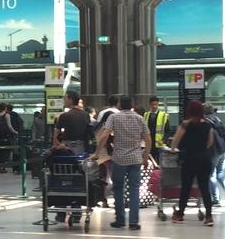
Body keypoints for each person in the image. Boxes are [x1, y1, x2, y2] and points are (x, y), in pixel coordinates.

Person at [98, 95, 151, 230]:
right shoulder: (139, 118)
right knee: (134, 189)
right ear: (131, 105)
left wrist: (97, 152)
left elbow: (104, 135)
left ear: (120, 105)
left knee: (118, 188)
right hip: (135, 159)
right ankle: (134, 222)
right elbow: (148, 139)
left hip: (119, 159)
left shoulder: (113, 117)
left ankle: (120, 220)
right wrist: (145, 157)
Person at [170, 99, 215, 225]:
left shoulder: (185, 124)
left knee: (186, 187)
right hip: (204, 160)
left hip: (189, 159)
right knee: (204, 188)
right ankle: (209, 217)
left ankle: (180, 214)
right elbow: (210, 142)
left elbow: (175, 141)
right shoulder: (208, 125)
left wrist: (173, 149)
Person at [203, 104, 225, 205]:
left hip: (213, 151)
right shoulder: (217, 119)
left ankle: (216, 199)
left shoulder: (205, 122)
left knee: (211, 174)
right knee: (220, 173)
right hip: (223, 149)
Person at [53, 89, 91, 153]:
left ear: (70, 100)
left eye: (65, 98)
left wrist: (59, 145)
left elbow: (55, 135)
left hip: (67, 148)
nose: (64, 100)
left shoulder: (64, 115)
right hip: (82, 147)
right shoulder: (86, 115)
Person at [144, 97, 169, 165]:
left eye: (156, 104)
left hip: (159, 144)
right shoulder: (146, 115)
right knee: (149, 163)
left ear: (158, 104)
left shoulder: (163, 115)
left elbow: (167, 131)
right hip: (148, 143)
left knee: (159, 164)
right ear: (149, 105)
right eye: (152, 104)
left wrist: (163, 140)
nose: (154, 106)